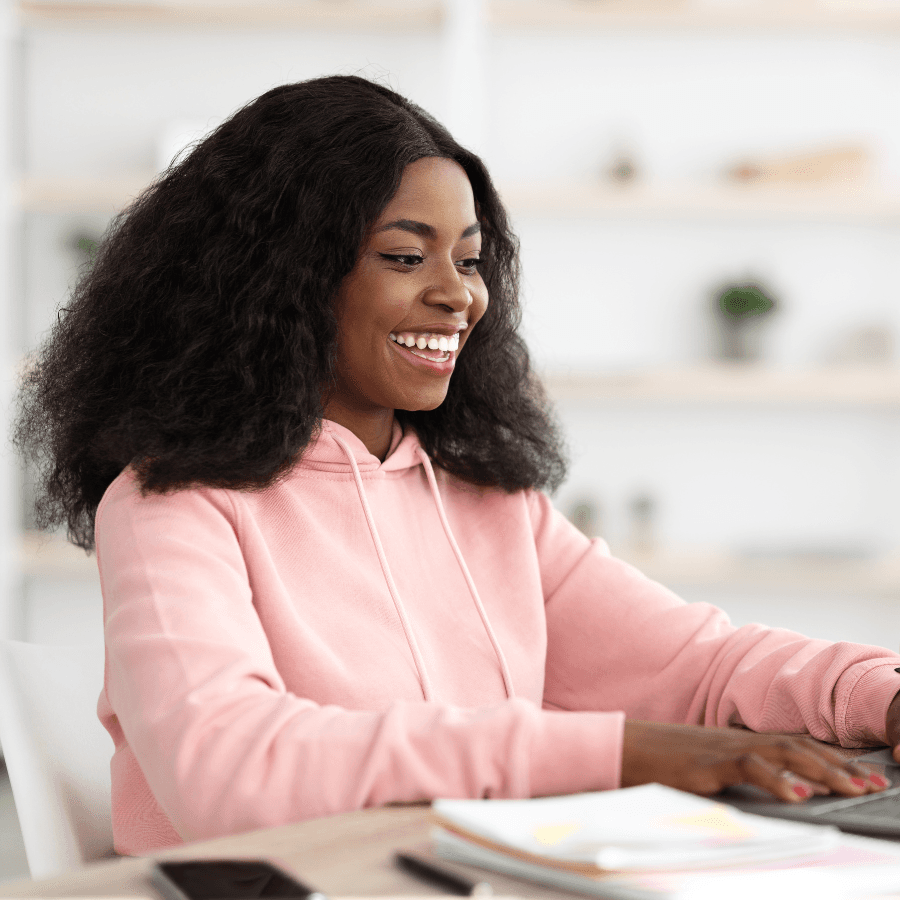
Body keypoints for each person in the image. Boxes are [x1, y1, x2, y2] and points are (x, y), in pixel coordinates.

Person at [14, 75, 900, 856]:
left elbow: (699, 669)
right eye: (406, 256)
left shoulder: (487, 502)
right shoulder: (173, 505)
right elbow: (231, 768)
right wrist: (618, 750)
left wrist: (881, 697)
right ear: (276, 278)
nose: (459, 294)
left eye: (470, 260)